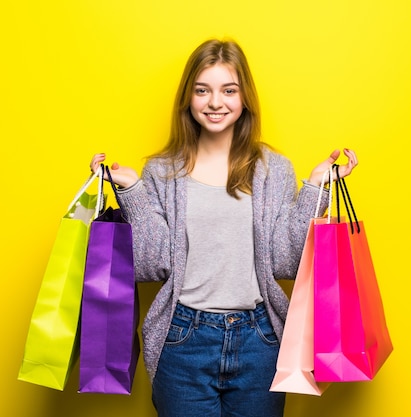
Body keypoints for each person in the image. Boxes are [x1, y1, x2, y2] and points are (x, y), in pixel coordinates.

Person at [89, 38, 358, 417]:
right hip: (183, 338)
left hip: (259, 340)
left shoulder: (273, 170)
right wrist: (132, 191)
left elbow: (286, 261)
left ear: (244, 97)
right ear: (188, 98)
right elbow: (151, 267)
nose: (215, 102)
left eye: (228, 90)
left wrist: (316, 188)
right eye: (203, 90)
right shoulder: (162, 172)